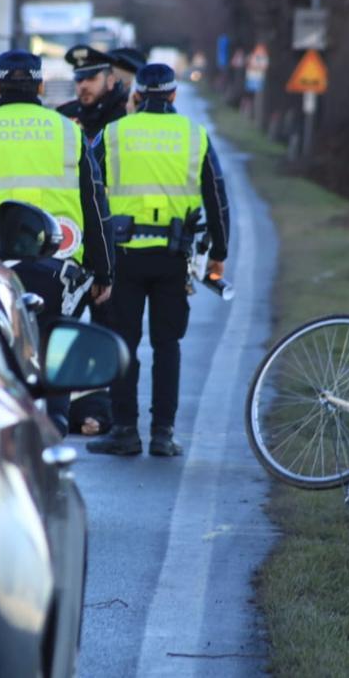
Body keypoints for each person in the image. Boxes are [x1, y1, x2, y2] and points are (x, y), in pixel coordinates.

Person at [0, 50, 116, 435]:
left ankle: (1, 424)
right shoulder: (69, 132)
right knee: (53, 346)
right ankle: (56, 421)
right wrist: (104, 271)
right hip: (58, 268)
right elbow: (95, 205)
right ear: (41, 86)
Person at [86, 63, 230, 457]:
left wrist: (92, 253)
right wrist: (219, 254)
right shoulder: (194, 135)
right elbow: (217, 197)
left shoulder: (114, 133)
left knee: (123, 343)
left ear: (137, 95)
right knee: (168, 345)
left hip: (124, 257)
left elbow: (89, 188)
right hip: (173, 258)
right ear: (173, 94)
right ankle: (163, 434)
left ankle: (125, 431)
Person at [56, 45, 129, 145]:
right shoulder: (65, 115)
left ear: (110, 81)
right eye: (79, 80)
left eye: (91, 78)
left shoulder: (125, 114)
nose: (83, 86)